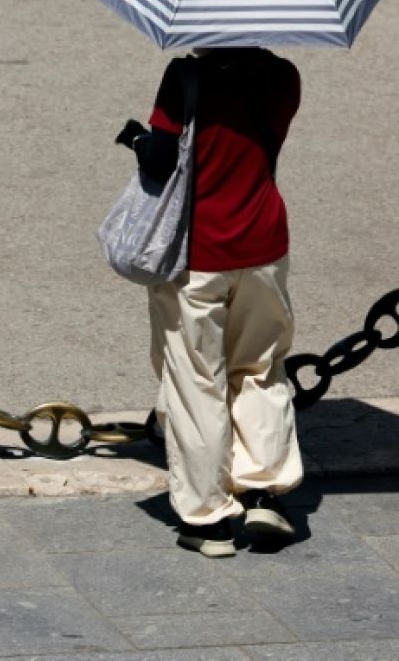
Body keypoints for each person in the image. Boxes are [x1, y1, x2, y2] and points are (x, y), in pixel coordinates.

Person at [115, 45, 303, 558]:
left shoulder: (186, 78)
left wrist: (135, 136)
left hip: (197, 253)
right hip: (264, 244)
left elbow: (162, 155)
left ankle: (210, 518)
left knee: (196, 380)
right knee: (261, 368)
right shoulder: (284, 76)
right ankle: (264, 491)